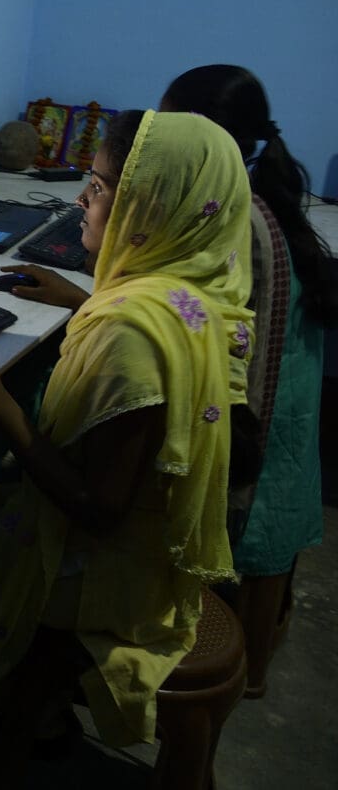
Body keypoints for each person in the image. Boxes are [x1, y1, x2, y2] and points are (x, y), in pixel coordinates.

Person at [0, 111, 254, 768]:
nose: (82, 197)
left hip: (109, 567)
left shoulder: (129, 332)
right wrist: (82, 299)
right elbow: (151, 375)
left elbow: (98, 511)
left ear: (147, 206)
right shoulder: (192, 293)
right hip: (154, 541)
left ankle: (13, 698)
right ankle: (16, 673)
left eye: (99, 186)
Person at [160, 64, 335, 694]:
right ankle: (253, 660)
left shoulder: (234, 215)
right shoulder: (268, 196)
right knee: (271, 538)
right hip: (290, 399)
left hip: (257, 410)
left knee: (252, 527)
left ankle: (232, 671)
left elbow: (183, 316)